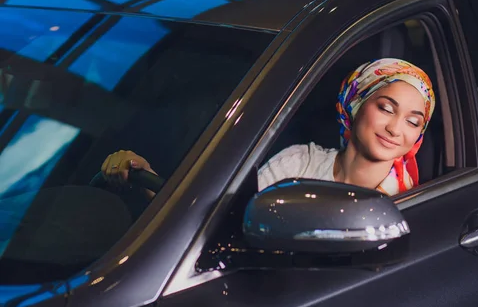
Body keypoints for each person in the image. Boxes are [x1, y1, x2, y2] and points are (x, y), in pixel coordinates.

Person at [101, 58, 435, 196]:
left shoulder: (412, 200)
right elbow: (220, 222)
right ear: (354, 104)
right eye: (386, 108)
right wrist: (143, 177)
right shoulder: (298, 162)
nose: (395, 129)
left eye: (412, 121)